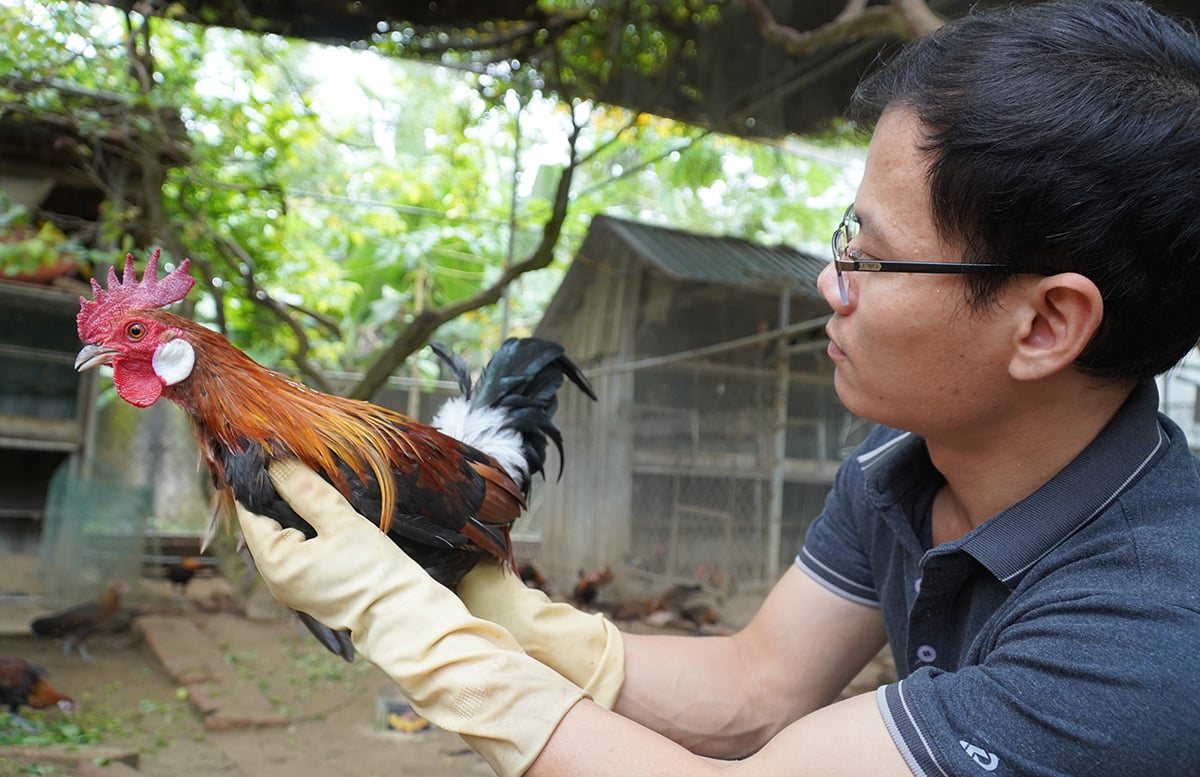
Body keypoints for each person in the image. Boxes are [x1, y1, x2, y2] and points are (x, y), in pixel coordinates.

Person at [234, 1, 1200, 774]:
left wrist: (409, 625)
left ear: (1044, 324)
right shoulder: (904, 468)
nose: (832, 282)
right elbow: (757, 682)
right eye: (843, 242)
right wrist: (509, 615)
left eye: (876, 260)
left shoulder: (1148, 639)